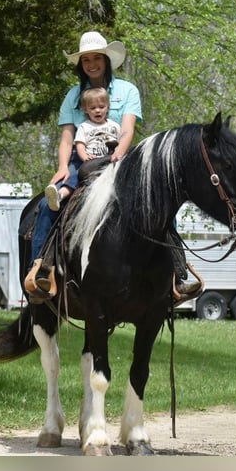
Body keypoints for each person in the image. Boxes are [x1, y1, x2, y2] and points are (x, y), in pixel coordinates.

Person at [26, 31, 201, 301]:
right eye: (86, 60)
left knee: (161, 206)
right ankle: (40, 268)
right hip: (82, 159)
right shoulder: (73, 96)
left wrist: (119, 154)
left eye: (97, 58)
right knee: (45, 206)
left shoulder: (127, 91)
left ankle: (177, 275)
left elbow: (128, 129)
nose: (92, 64)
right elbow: (67, 138)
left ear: (107, 60)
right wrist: (63, 166)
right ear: (80, 64)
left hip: (120, 158)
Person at [43, 86, 121, 211]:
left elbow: (120, 142)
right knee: (76, 176)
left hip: (109, 160)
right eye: (93, 108)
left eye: (101, 107)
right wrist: (85, 157)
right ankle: (60, 194)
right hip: (89, 161)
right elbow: (80, 144)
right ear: (85, 109)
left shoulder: (114, 126)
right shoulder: (84, 127)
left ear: (107, 106)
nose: (97, 111)